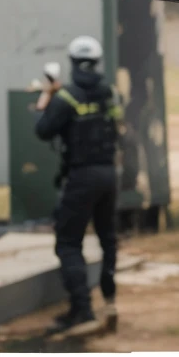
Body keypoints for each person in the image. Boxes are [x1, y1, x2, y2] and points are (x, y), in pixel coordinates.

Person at [35, 35, 122, 338]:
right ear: (97, 62)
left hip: (82, 177)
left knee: (69, 242)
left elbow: (43, 130)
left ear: (72, 63)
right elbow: (118, 126)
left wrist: (49, 96)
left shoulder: (67, 97)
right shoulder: (110, 93)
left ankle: (83, 310)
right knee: (108, 239)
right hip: (109, 175)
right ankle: (110, 305)